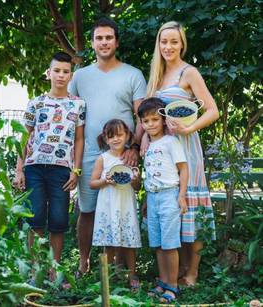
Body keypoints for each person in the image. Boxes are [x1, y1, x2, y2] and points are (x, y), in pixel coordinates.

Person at [68, 17, 146, 276]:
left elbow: (141, 116)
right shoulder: (80, 76)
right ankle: (84, 264)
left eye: (108, 37)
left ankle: (120, 269)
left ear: (117, 42)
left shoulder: (133, 74)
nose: (104, 42)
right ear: (92, 43)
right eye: (99, 38)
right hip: (90, 153)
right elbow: (69, 113)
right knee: (87, 210)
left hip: (122, 154)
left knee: (121, 209)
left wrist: (134, 147)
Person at [145, 21, 219, 287]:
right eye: (164, 42)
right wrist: (144, 140)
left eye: (174, 42)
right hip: (161, 152)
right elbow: (149, 114)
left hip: (186, 147)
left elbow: (212, 110)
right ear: (159, 44)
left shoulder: (189, 73)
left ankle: (192, 272)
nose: (168, 47)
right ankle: (176, 270)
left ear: (182, 44)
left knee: (190, 204)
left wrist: (189, 129)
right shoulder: (156, 75)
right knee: (172, 206)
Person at [14, 51, 85, 280]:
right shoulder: (36, 103)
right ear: (49, 73)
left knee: (58, 221)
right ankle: (35, 270)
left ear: (70, 76)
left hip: (61, 170)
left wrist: (76, 170)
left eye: (65, 72)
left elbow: (79, 139)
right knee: (35, 219)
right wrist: (19, 169)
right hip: (34, 167)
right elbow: (25, 137)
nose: (61, 76)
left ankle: (55, 271)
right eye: (57, 71)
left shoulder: (78, 105)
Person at [138, 97, 188, 303]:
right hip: (153, 197)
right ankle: (163, 282)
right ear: (141, 123)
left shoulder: (171, 142)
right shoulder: (147, 146)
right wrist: (146, 201)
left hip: (170, 196)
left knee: (170, 244)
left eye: (154, 120)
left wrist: (181, 196)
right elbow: (150, 175)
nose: (150, 124)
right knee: (158, 244)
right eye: (146, 121)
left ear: (163, 120)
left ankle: (173, 286)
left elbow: (183, 169)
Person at [89, 119, 141, 290]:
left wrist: (135, 178)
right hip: (108, 203)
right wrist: (105, 181)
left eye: (120, 135)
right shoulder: (103, 158)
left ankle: (132, 274)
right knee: (109, 242)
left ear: (127, 136)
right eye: (111, 136)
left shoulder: (130, 157)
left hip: (126, 203)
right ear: (105, 139)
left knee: (129, 241)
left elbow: (137, 187)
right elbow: (93, 183)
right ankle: (108, 276)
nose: (116, 139)